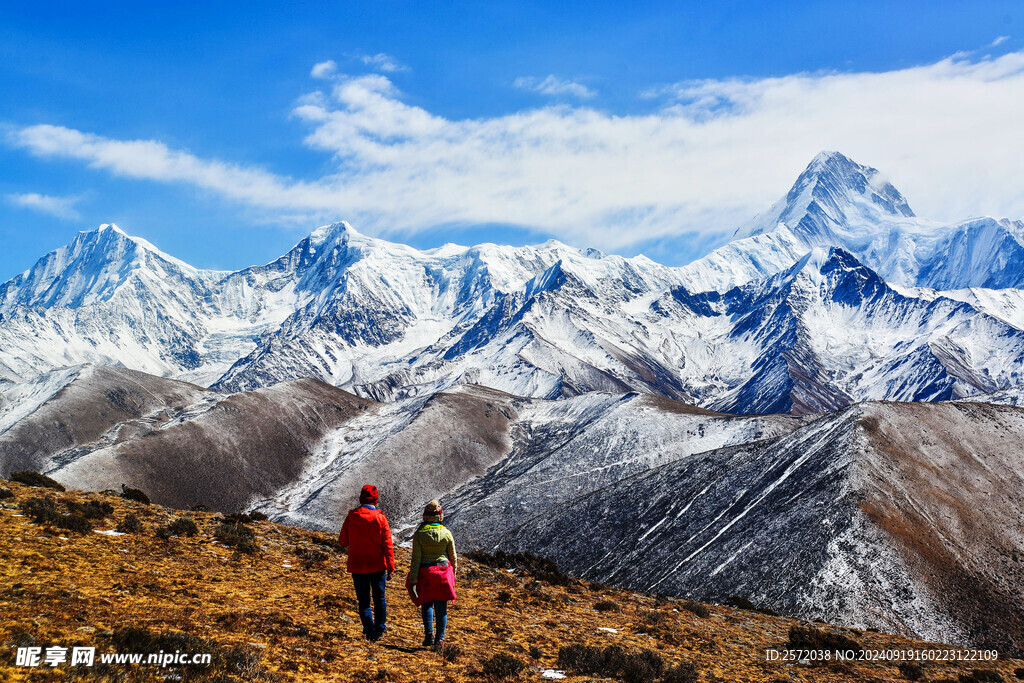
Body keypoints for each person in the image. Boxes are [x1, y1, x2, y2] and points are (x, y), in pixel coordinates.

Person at [338, 484, 395, 642]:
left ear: (361, 498)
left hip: (357, 565)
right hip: (377, 565)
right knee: (379, 599)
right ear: (375, 499)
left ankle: (369, 630)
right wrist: (391, 566)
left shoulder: (351, 517)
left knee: (363, 601)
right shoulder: (380, 518)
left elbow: (342, 541)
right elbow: (387, 545)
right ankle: (380, 629)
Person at [407, 500, 458, 652]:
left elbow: (416, 558)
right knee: (442, 608)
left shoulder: (420, 534)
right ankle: (440, 640)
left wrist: (413, 578)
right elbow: (453, 557)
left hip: (426, 573)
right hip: (443, 573)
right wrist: (453, 576)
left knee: (427, 603)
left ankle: (429, 633)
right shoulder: (447, 533)